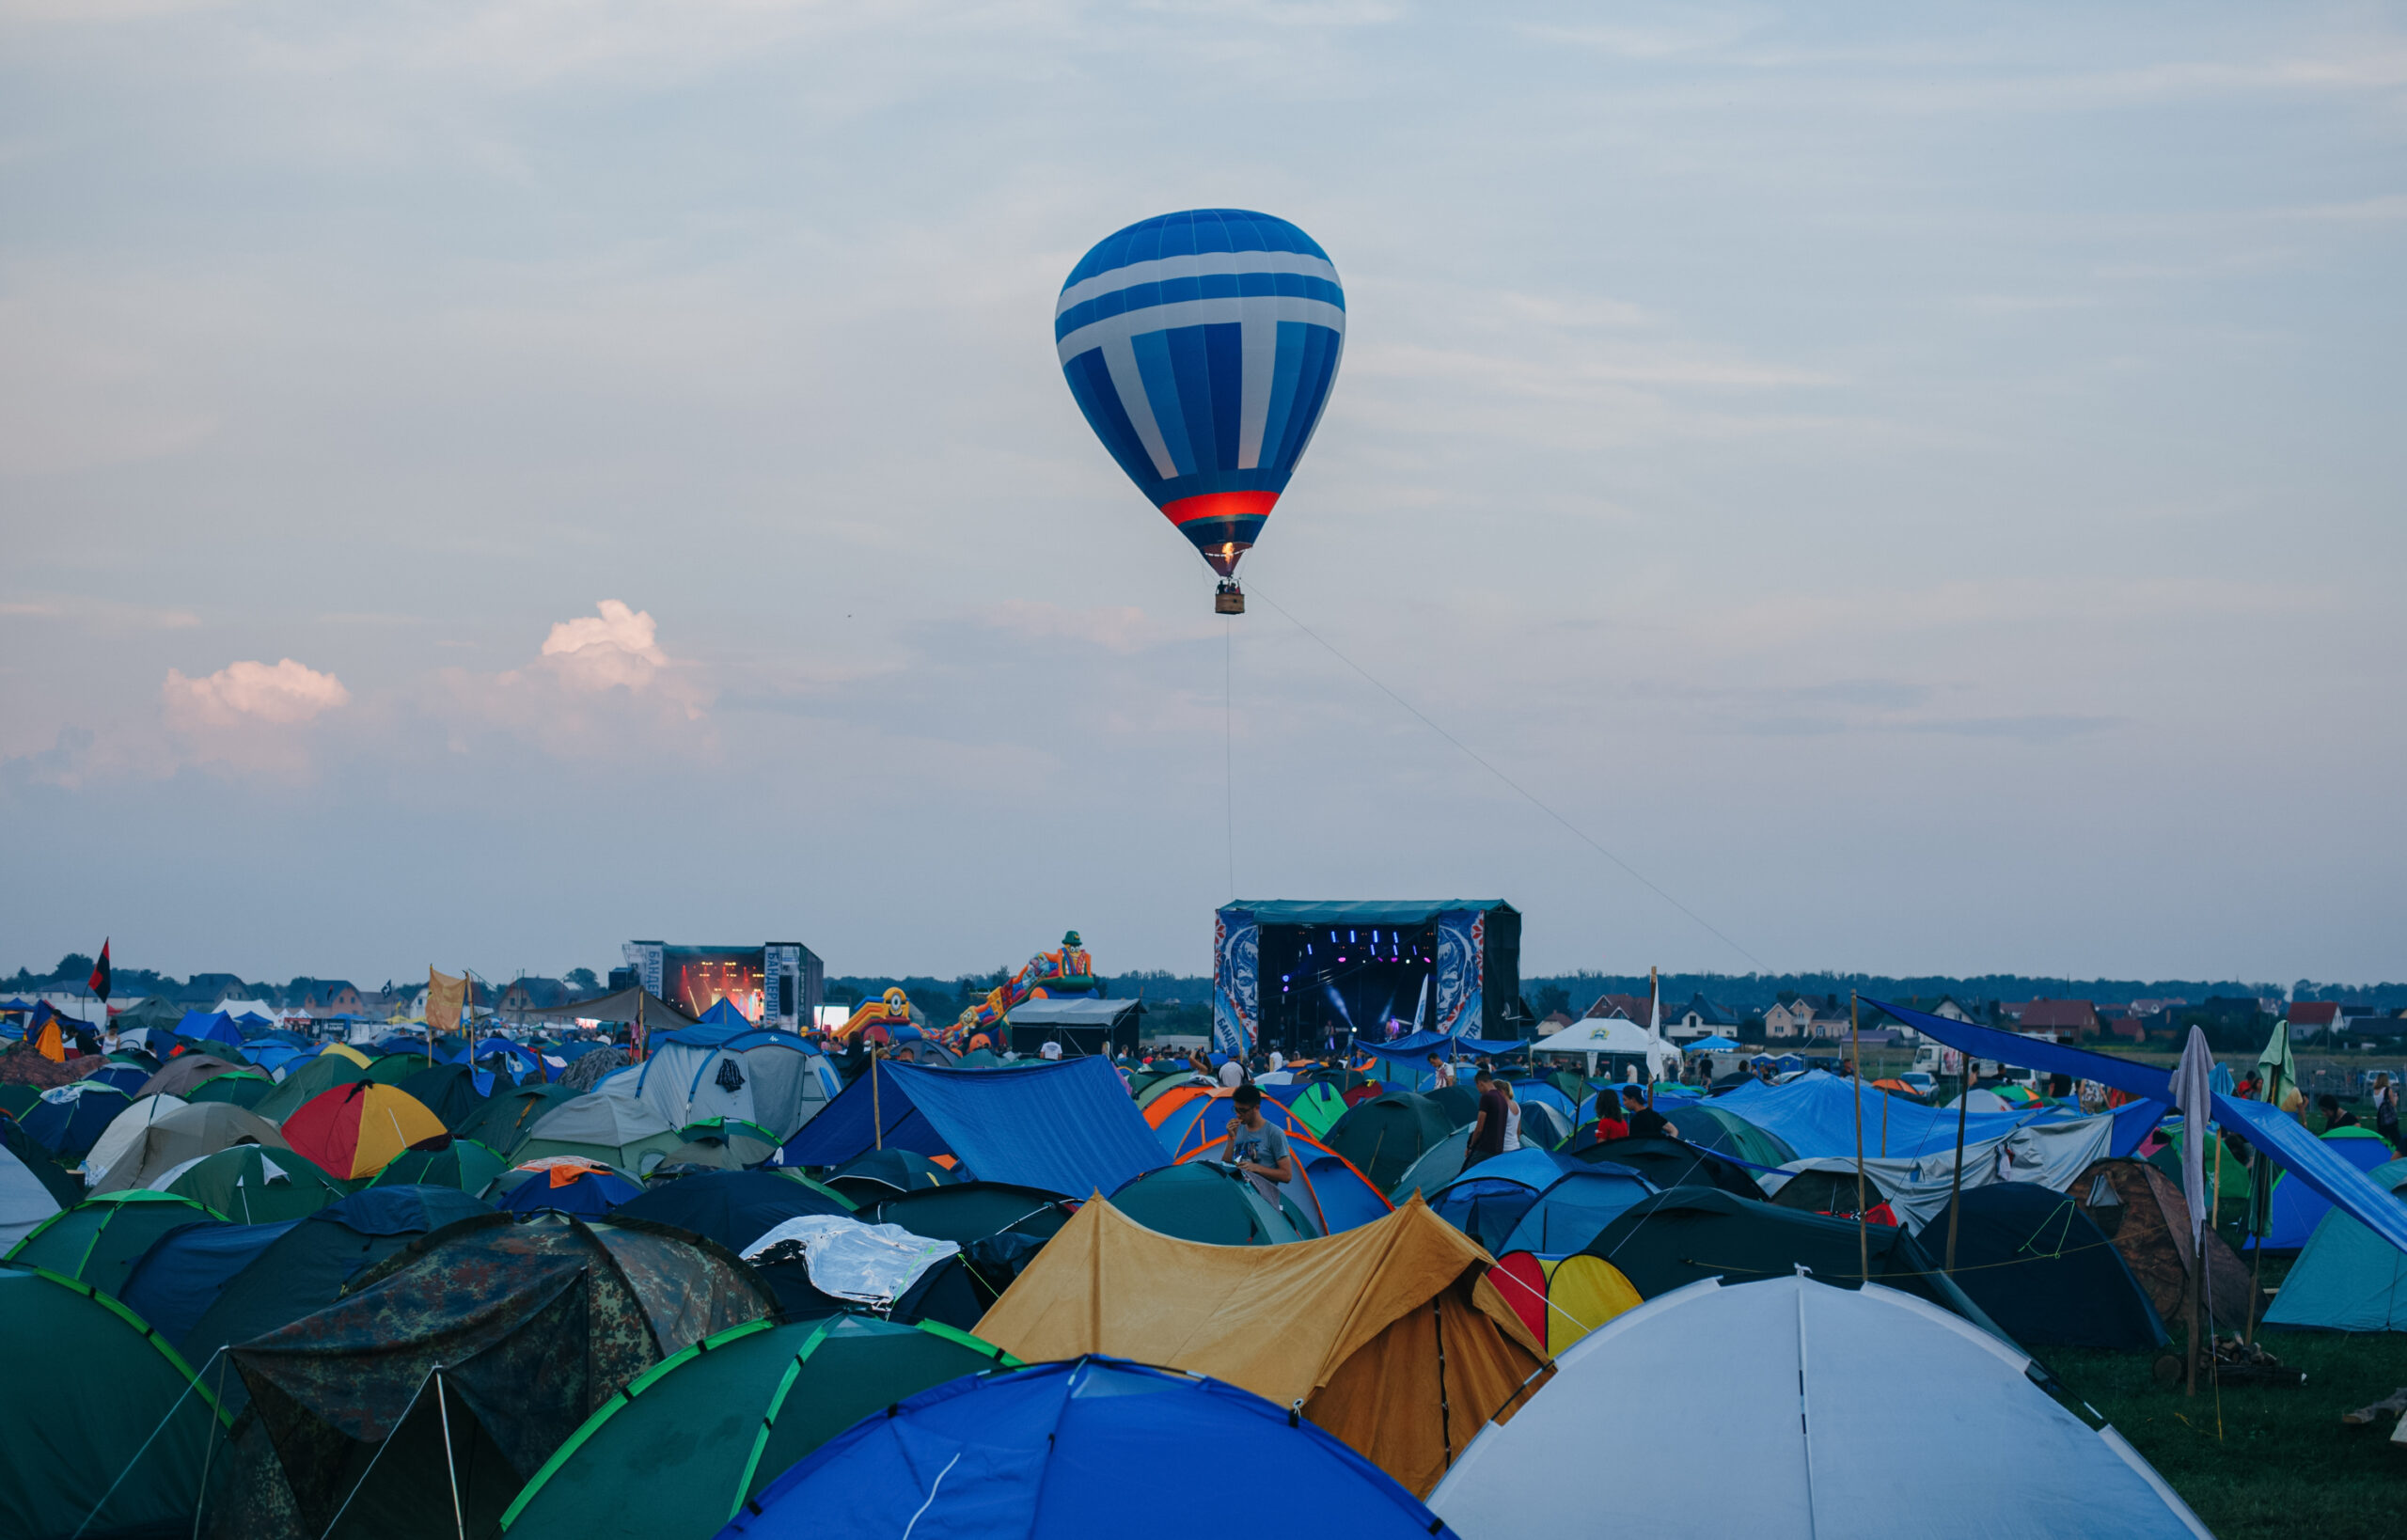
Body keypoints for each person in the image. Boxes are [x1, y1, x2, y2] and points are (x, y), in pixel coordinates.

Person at [1224, 1083, 1296, 1204]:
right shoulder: (1238, 1128)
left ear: (1256, 1108)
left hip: (1265, 1203)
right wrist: (1231, 1138)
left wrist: (1256, 1168)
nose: (1238, 1114)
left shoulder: (1274, 1133)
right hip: (1241, 1199)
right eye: (1236, 1109)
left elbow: (1287, 1175)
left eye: (1243, 1110)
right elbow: (1226, 1164)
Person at [1465, 1069, 1509, 1169]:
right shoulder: (1502, 1098)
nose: (1478, 1090)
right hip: (1497, 1148)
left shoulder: (1486, 1097)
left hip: (1484, 1148)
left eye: (1477, 1086)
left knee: (1467, 1174)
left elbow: (1479, 1127)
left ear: (1480, 1083)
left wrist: (1471, 1146)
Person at [2375, 1073, 2402, 1155]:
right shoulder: (2388, 1090)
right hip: (2390, 1119)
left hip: (2381, 1119)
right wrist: (2396, 1098)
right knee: (2397, 1139)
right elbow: (2394, 1104)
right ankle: (2401, 1155)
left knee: (2382, 1139)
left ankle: (2381, 1153)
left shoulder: (2375, 1091)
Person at [1500, 1077, 1523, 1153]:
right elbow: (1518, 1130)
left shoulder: (1502, 1106)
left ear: (1501, 1092)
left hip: (1504, 1148)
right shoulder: (1516, 1105)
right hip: (1515, 1146)